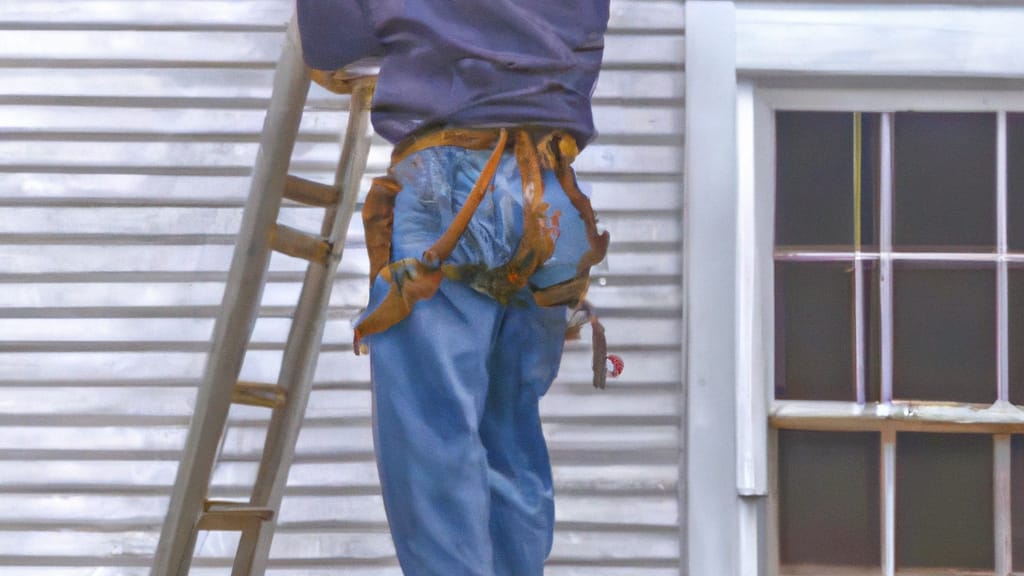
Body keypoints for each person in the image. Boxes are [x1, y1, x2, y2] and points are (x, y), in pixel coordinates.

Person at [296, 2, 612, 574]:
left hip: (447, 187)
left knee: (432, 432)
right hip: (550, 195)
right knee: (509, 430)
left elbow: (329, 49)